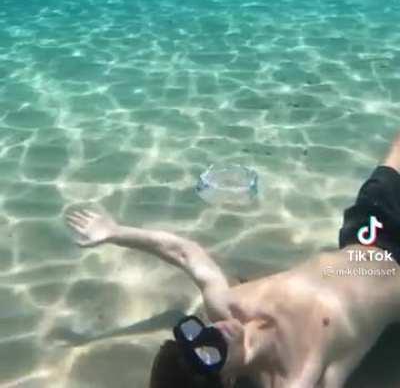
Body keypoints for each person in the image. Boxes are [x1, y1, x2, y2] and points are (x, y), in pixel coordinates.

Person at [66, 133, 400, 388]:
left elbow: (184, 253)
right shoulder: (296, 375)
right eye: (209, 353)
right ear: (225, 381)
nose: (214, 334)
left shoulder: (226, 307)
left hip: (368, 234)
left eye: (195, 335)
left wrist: (113, 232)